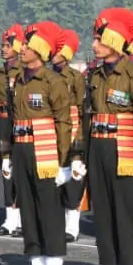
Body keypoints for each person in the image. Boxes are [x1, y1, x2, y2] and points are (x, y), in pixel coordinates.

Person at [80, 8, 133, 265]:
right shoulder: (95, 76)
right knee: (104, 223)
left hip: (124, 152)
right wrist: (82, 157)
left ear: (116, 40)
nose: (94, 44)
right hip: (98, 150)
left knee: (126, 223)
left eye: (100, 39)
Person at [8, 22, 72, 265]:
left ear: (41, 49)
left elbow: (64, 123)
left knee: (49, 218)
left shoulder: (53, 82)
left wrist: (62, 162)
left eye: (27, 44)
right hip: (22, 151)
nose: (21, 48)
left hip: (45, 154)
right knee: (30, 217)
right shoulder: (19, 81)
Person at [0, 25, 26, 237]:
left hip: (17, 122)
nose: (3, 49)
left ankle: (22, 219)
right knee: (6, 171)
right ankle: (10, 219)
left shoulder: (23, 71)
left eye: (7, 45)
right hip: (1, 123)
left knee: (20, 172)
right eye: (2, 45)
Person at [53, 31, 88, 242]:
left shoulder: (75, 78)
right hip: (52, 133)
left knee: (73, 181)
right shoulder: (48, 76)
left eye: (58, 51)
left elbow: (82, 110)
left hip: (72, 131)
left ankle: (72, 227)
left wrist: (79, 140)